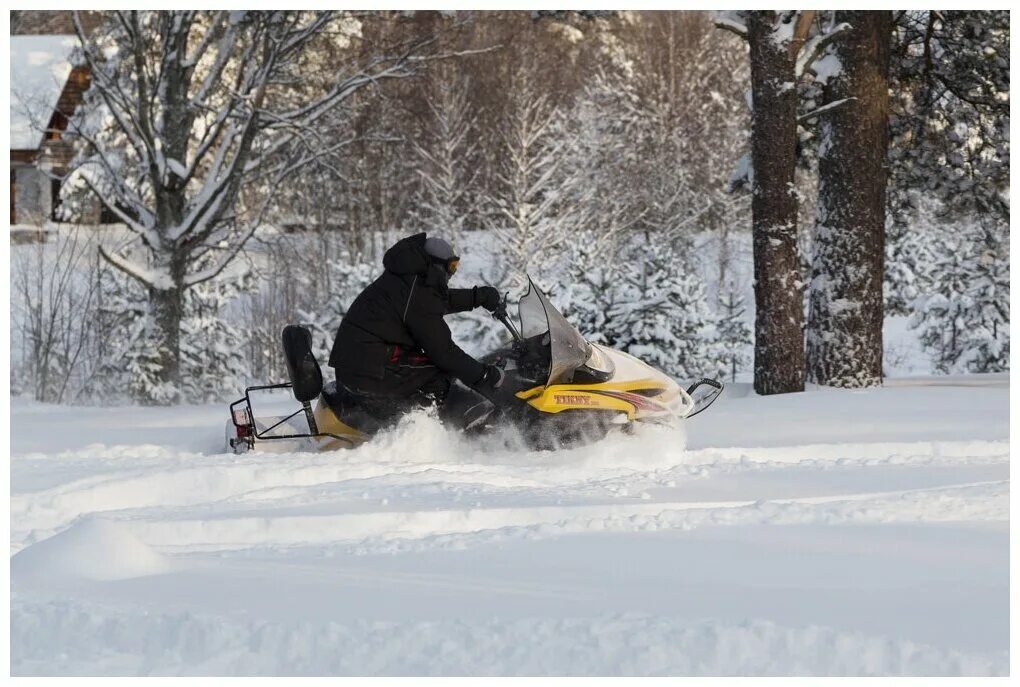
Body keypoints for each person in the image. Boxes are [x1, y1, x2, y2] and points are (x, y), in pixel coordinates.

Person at [328, 233, 504, 421]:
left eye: (456, 266)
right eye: (451, 266)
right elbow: (444, 352)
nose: (452, 273)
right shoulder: (416, 290)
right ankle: (427, 434)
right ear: (435, 265)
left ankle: (426, 423)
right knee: (442, 379)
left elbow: (436, 301)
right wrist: (483, 375)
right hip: (369, 372)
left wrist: (479, 296)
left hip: (362, 365)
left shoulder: (409, 278)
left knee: (441, 369)